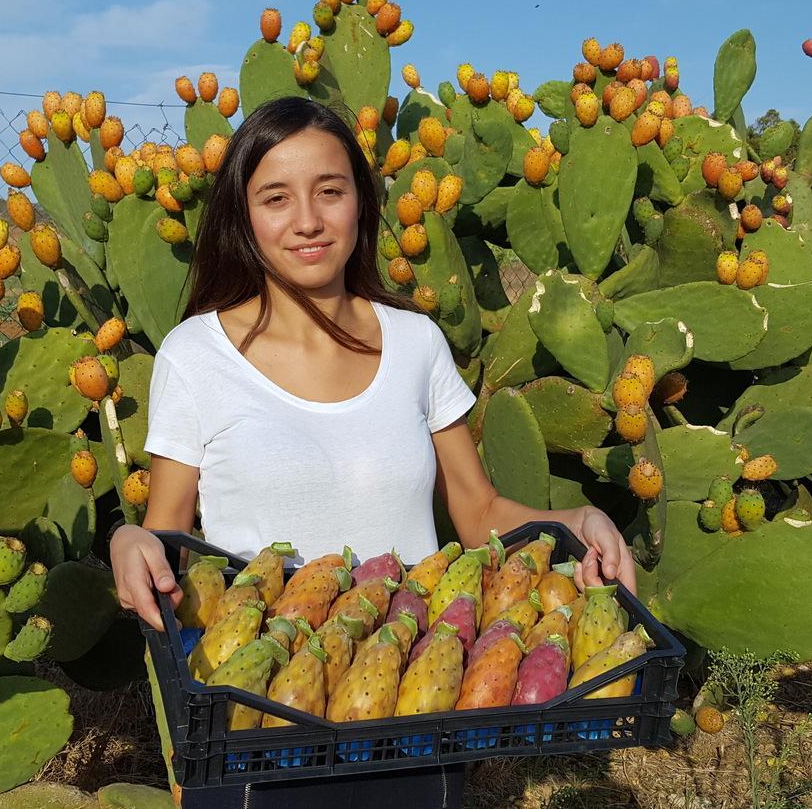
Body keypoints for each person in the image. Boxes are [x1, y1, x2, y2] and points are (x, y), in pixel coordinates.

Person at [109, 95, 637, 808]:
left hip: (416, 710)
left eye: (330, 191)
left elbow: (476, 509)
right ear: (243, 215)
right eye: (276, 197)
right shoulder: (195, 355)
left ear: (361, 200)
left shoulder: (417, 343)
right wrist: (128, 537)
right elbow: (168, 538)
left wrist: (573, 520)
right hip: (263, 724)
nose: (307, 220)